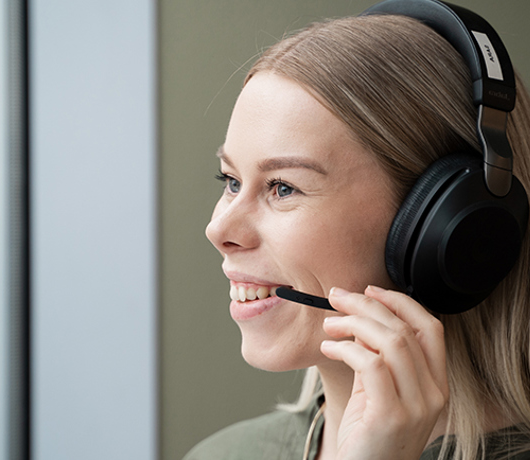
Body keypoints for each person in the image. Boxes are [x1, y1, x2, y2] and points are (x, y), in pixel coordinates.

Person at [184, 2, 530, 460]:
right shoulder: (226, 453)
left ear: (442, 225)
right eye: (230, 181)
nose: (218, 228)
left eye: (282, 188)